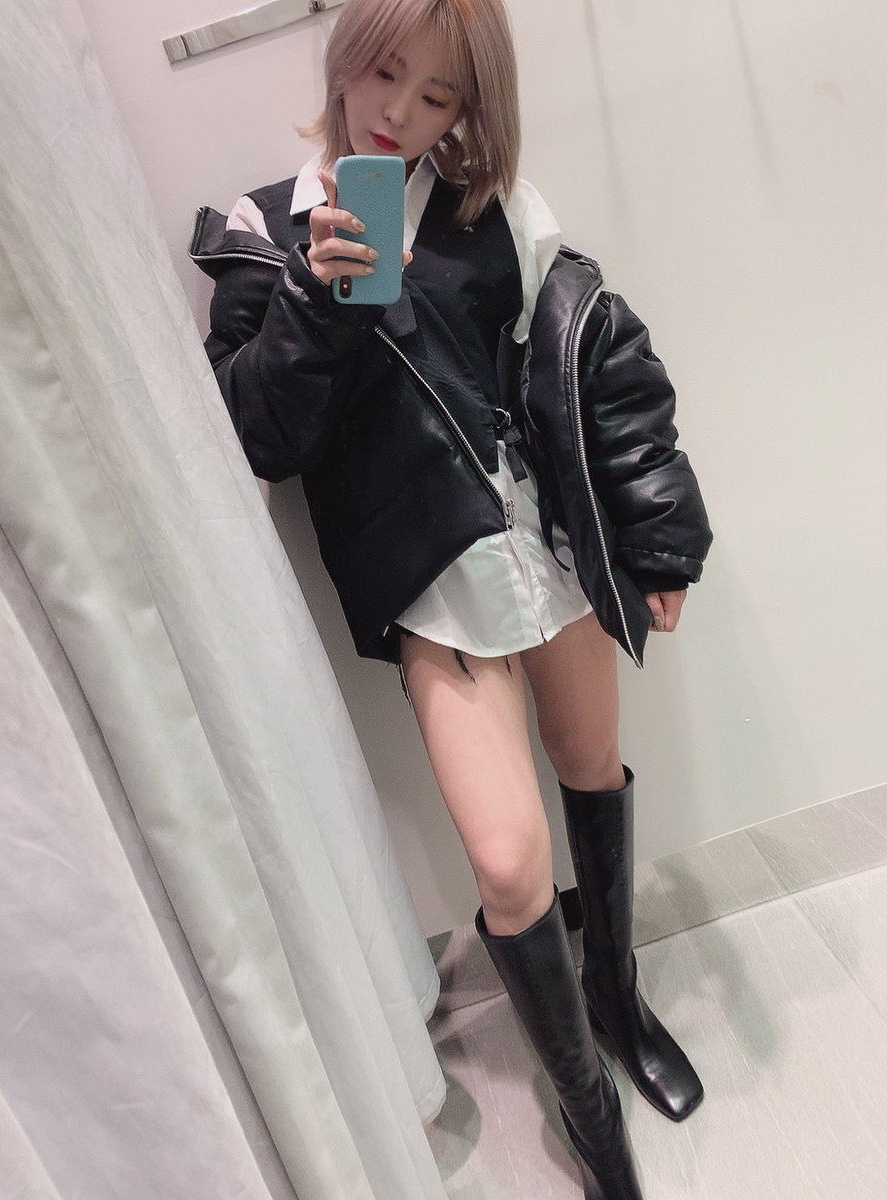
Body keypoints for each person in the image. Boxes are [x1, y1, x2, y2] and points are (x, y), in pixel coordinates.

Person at [191, 0, 712, 1195]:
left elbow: (603, 363)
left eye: (438, 98)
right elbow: (262, 441)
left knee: (592, 768)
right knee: (512, 866)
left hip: (552, 552)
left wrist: (657, 534)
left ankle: (616, 998)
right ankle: (585, 1105)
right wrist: (317, 297)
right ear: (343, 57)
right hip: (432, 582)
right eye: (386, 74)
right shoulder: (261, 235)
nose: (400, 114)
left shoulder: (497, 212)